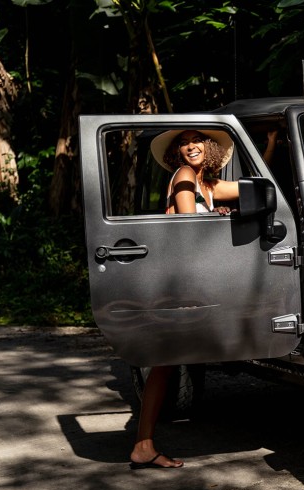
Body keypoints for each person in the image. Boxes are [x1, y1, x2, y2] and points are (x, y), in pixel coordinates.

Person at [127, 128, 238, 469]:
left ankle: (144, 444)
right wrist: (216, 217)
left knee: (165, 362)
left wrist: (273, 143)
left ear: (209, 147)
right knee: (164, 360)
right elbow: (189, 230)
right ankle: (142, 444)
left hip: (187, 277)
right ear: (178, 151)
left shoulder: (208, 185)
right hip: (180, 279)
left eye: (197, 140)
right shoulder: (186, 175)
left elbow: (257, 189)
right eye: (184, 142)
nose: (190, 146)